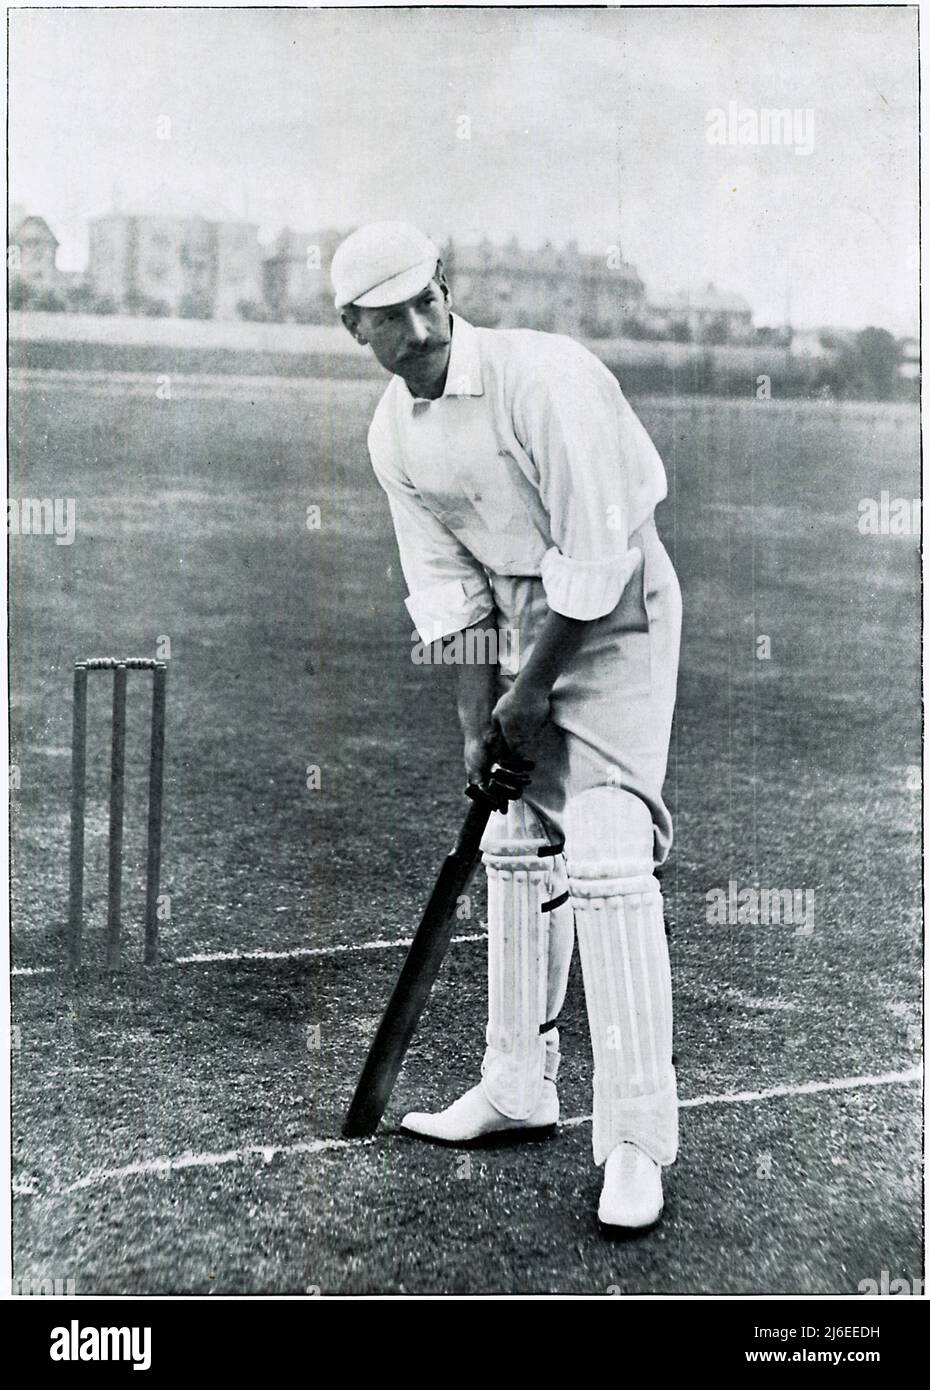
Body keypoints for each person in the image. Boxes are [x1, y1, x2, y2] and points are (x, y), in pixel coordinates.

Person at [331, 221, 682, 1231]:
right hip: (518, 620)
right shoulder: (393, 435)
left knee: (609, 854)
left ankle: (634, 1141)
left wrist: (526, 696)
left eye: (420, 301)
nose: (410, 327)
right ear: (355, 331)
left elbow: (599, 556)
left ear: (445, 292)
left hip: (613, 614)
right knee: (517, 844)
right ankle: (518, 1086)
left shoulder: (545, 379)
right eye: (381, 317)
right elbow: (446, 599)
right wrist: (475, 725)